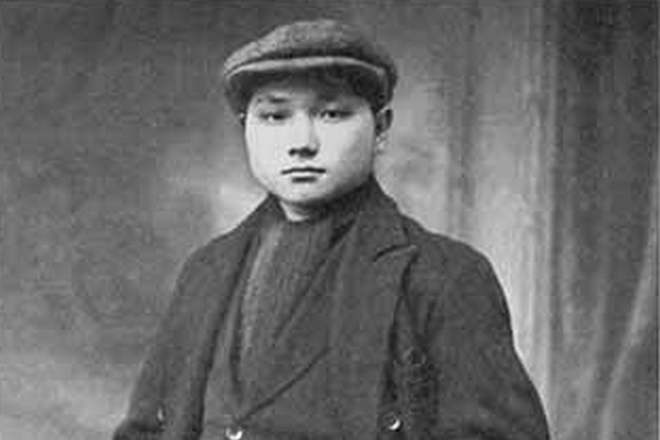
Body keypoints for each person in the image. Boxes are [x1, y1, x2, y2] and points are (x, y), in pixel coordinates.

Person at [113, 19, 550, 440]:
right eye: (275, 116)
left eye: (332, 113)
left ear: (381, 128)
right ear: (246, 129)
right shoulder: (205, 271)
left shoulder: (444, 277)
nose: (302, 142)